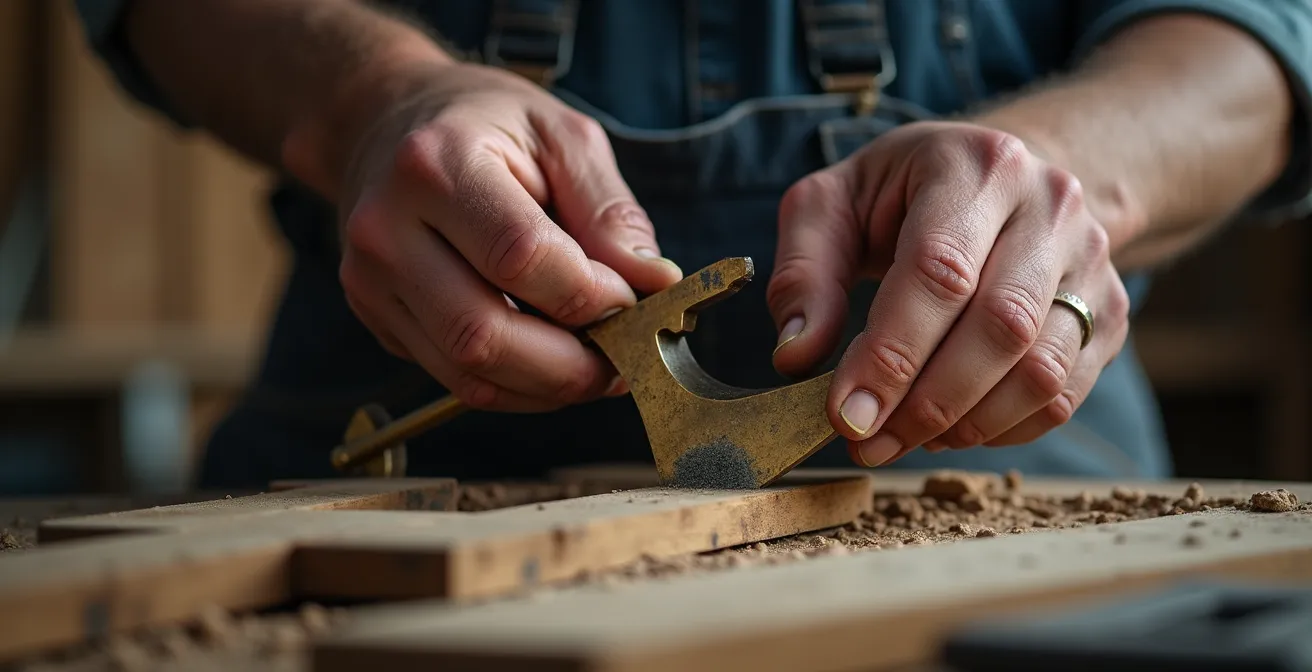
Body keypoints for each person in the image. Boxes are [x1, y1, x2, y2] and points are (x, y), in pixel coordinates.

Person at [75, 0, 1312, 489]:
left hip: (1017, 472)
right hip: (401, 474)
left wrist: (1061, 175)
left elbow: (1264, 50)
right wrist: (373, 101)